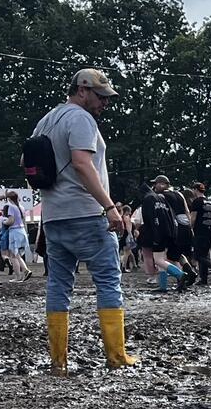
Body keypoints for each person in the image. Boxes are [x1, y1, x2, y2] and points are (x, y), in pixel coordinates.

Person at [33, 68, 137, 373]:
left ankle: (58, 361)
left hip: (54, 216)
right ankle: (117, 357)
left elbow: (27, 163)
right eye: (100, 96)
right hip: (87, 213)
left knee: (58, 285)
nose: (105, 103)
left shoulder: (46, 120)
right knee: (108, 280)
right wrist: (109, 206)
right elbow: (82, 163)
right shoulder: (81, 119)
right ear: (82, 90)